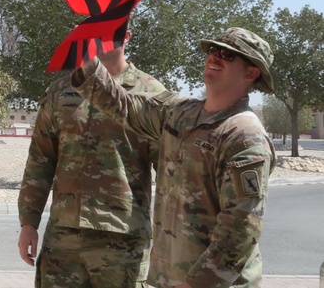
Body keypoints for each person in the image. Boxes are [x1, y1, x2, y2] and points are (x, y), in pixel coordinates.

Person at [71, 27, 276, 288]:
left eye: (227, 54)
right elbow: (121, 104)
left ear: (251, 73)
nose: (214, 57)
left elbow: (241, 228)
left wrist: (195, 284)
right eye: (212, 50)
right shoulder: (179, 113)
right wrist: (86, 53)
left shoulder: (244, 136)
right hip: (170, 278)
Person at [18, 32, 166, 287]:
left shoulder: (150, 93)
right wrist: (28, 223)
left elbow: (169, 174)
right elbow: (40, 161)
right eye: (98, 30)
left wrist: (165, 241)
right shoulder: (62, 90)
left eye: (114, 29)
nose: (105, 36)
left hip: (123, 240)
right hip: (64, 240)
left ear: (128, 36)